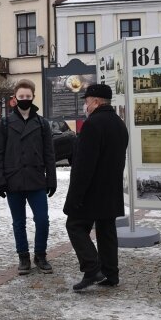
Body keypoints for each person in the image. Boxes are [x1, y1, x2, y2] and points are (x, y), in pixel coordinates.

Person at [64, 83, 129, 291]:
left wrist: (75, 196)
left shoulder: (93, 125)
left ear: (96, 101)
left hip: (92, 191)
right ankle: (111, 273)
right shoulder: (119, 123)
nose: (85, 106)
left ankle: (92, 268)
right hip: (111, 189)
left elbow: (84, 166)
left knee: (74, 225)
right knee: (106, 230)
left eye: (86, 101)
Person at [0, 79, 57, 275]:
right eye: (21, 97)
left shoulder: (42, 123)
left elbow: (49, 154)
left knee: (42, 220)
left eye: (28, 97)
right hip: (14, 180)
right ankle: (23, 257)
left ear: (33, 97)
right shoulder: (5, 123)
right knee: (18, 222)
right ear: (15, 98)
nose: (24, 99)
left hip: (36, 179)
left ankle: (40, 255)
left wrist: (51, 180)